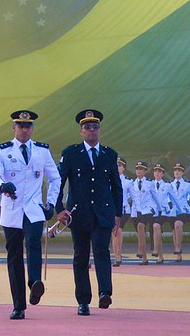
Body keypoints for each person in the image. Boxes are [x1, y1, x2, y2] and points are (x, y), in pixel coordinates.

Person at [0, 110, 60, 320]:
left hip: (34, 208)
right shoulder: (2, 150)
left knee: (33, 242)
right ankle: (18, 305)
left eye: (28, 126)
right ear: (14, 128)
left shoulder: (42, 151)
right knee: (14, 257)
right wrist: (3, 186)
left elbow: (55, 179)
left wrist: (51, 203)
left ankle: (35, 282)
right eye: (20, 126)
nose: (24, 130)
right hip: (12, 209)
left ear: (32, 129)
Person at [55, 109, 122, 315]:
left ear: (99, 130)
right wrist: (59, 209)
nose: (91, 131)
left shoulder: (109, 154)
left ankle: (105, 293)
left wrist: (118, 214)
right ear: (81, 131)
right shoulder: (71, 153)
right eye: (87, 128)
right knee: (81, 256)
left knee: (102, 251)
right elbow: (59, 182)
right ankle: (83, 300)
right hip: (79, 213)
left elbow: (116, 186)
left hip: (103, 213)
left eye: (95, 127)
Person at [129, 161, 156, 265]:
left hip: (147, 209)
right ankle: (144, 257)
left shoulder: (149, 183)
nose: (139, 171)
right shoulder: (132, 183)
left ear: (145, 171)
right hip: (136, 211)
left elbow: (156, 196)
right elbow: (128, 196)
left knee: (141, 226)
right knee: (140, 233)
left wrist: (159, 208)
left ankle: (141, 253)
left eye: (141, 169)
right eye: (137, 169)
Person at [168, 162, 190, 263]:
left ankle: (178, 247)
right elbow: (166, 197)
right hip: (172, 210)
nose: (177, 172)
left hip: (183, 210)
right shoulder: (169, 184)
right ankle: (178, 254)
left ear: (183, 172)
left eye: (179, 170)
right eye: (175, 170)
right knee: (174, 231)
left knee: (178, 225)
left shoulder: (187, 184)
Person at [112, 157, 132, 266]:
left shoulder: (128, 182)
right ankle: (116, 255)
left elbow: (134, 197)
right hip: (112, 210)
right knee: (113, 232)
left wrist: (136, 211)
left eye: (120, 165)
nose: (117, 167)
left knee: (118, 230)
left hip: (124, 209)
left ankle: (118, 256)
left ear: (123, 168)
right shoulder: (108, 180)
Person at [150, 163, 170, 264]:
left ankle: (155, 249)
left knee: (156, 226)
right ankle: (160, 257)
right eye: (155, 171)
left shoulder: (167, 185)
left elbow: (172, 197)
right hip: (152, 212)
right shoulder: (149, 185)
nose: (157, 173)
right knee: (156, 232)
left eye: (159, 172)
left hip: (163, 211)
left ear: (163, 174)